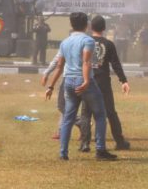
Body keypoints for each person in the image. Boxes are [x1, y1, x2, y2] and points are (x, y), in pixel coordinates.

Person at [45, 12, 116, 161]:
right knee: (100, 114)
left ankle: (63, 153)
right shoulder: (87, 40)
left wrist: (50, 86)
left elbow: (59, 66)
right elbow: (86, 62)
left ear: (71, 25)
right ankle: (100, 150)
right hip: (82, 81)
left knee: (68, 118)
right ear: (87, 25)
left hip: (68, 82)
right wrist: (86, 81)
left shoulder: (65, 42)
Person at [79, 15, 131, 152]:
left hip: (88, 80)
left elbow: (81, 62)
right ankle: (119, 141)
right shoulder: (108, 44)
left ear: (91, 27)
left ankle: (85, 143)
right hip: (103, 83)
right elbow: (116, 64)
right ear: (104, 28)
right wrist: (123, 80)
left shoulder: (85, 42)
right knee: (110, 113)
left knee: (86, 113)